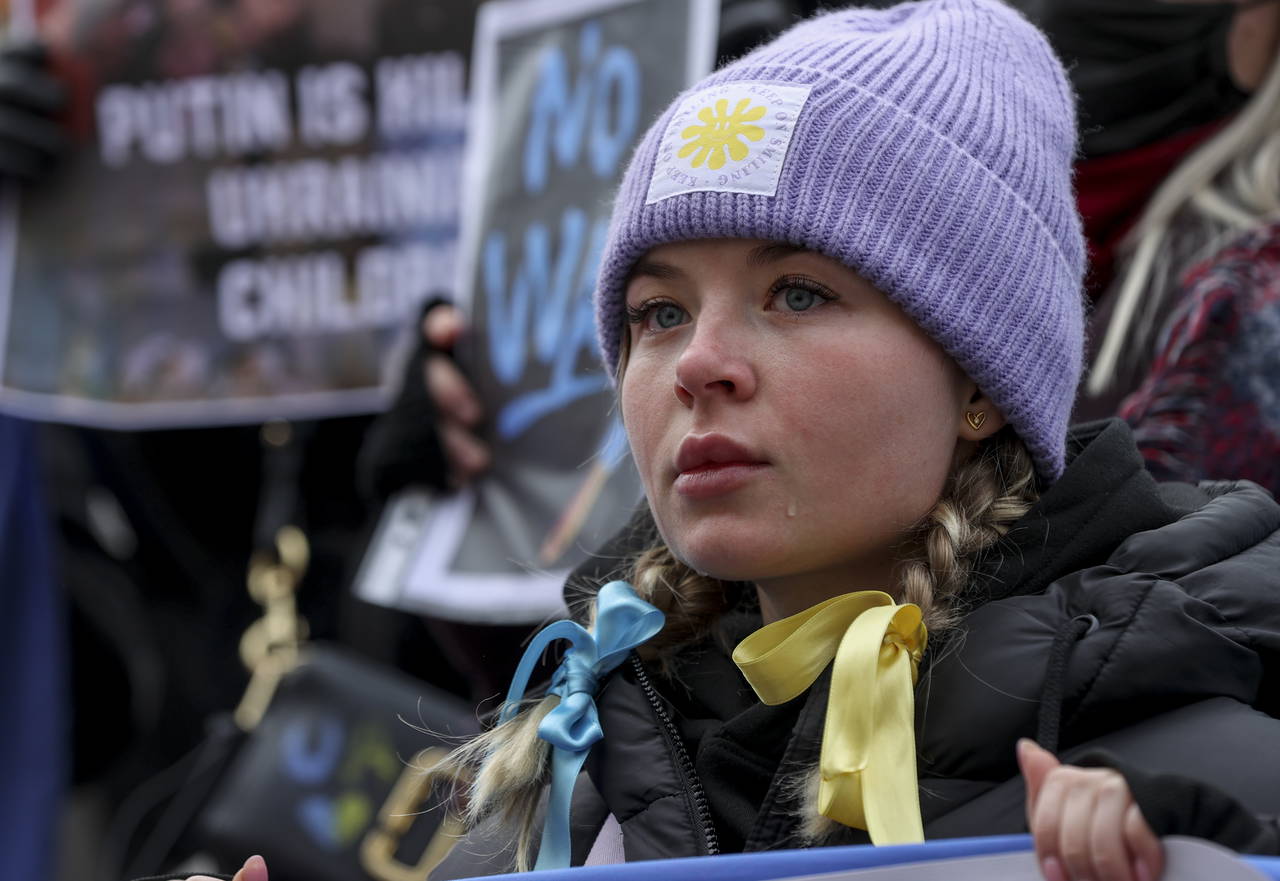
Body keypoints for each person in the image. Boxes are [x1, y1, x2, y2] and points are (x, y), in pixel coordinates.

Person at [172, 1, 1280, 881]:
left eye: (796, 292)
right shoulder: (557, 795)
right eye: (657, 312)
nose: (699, 361)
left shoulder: (1205, 791)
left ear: (979, 382)